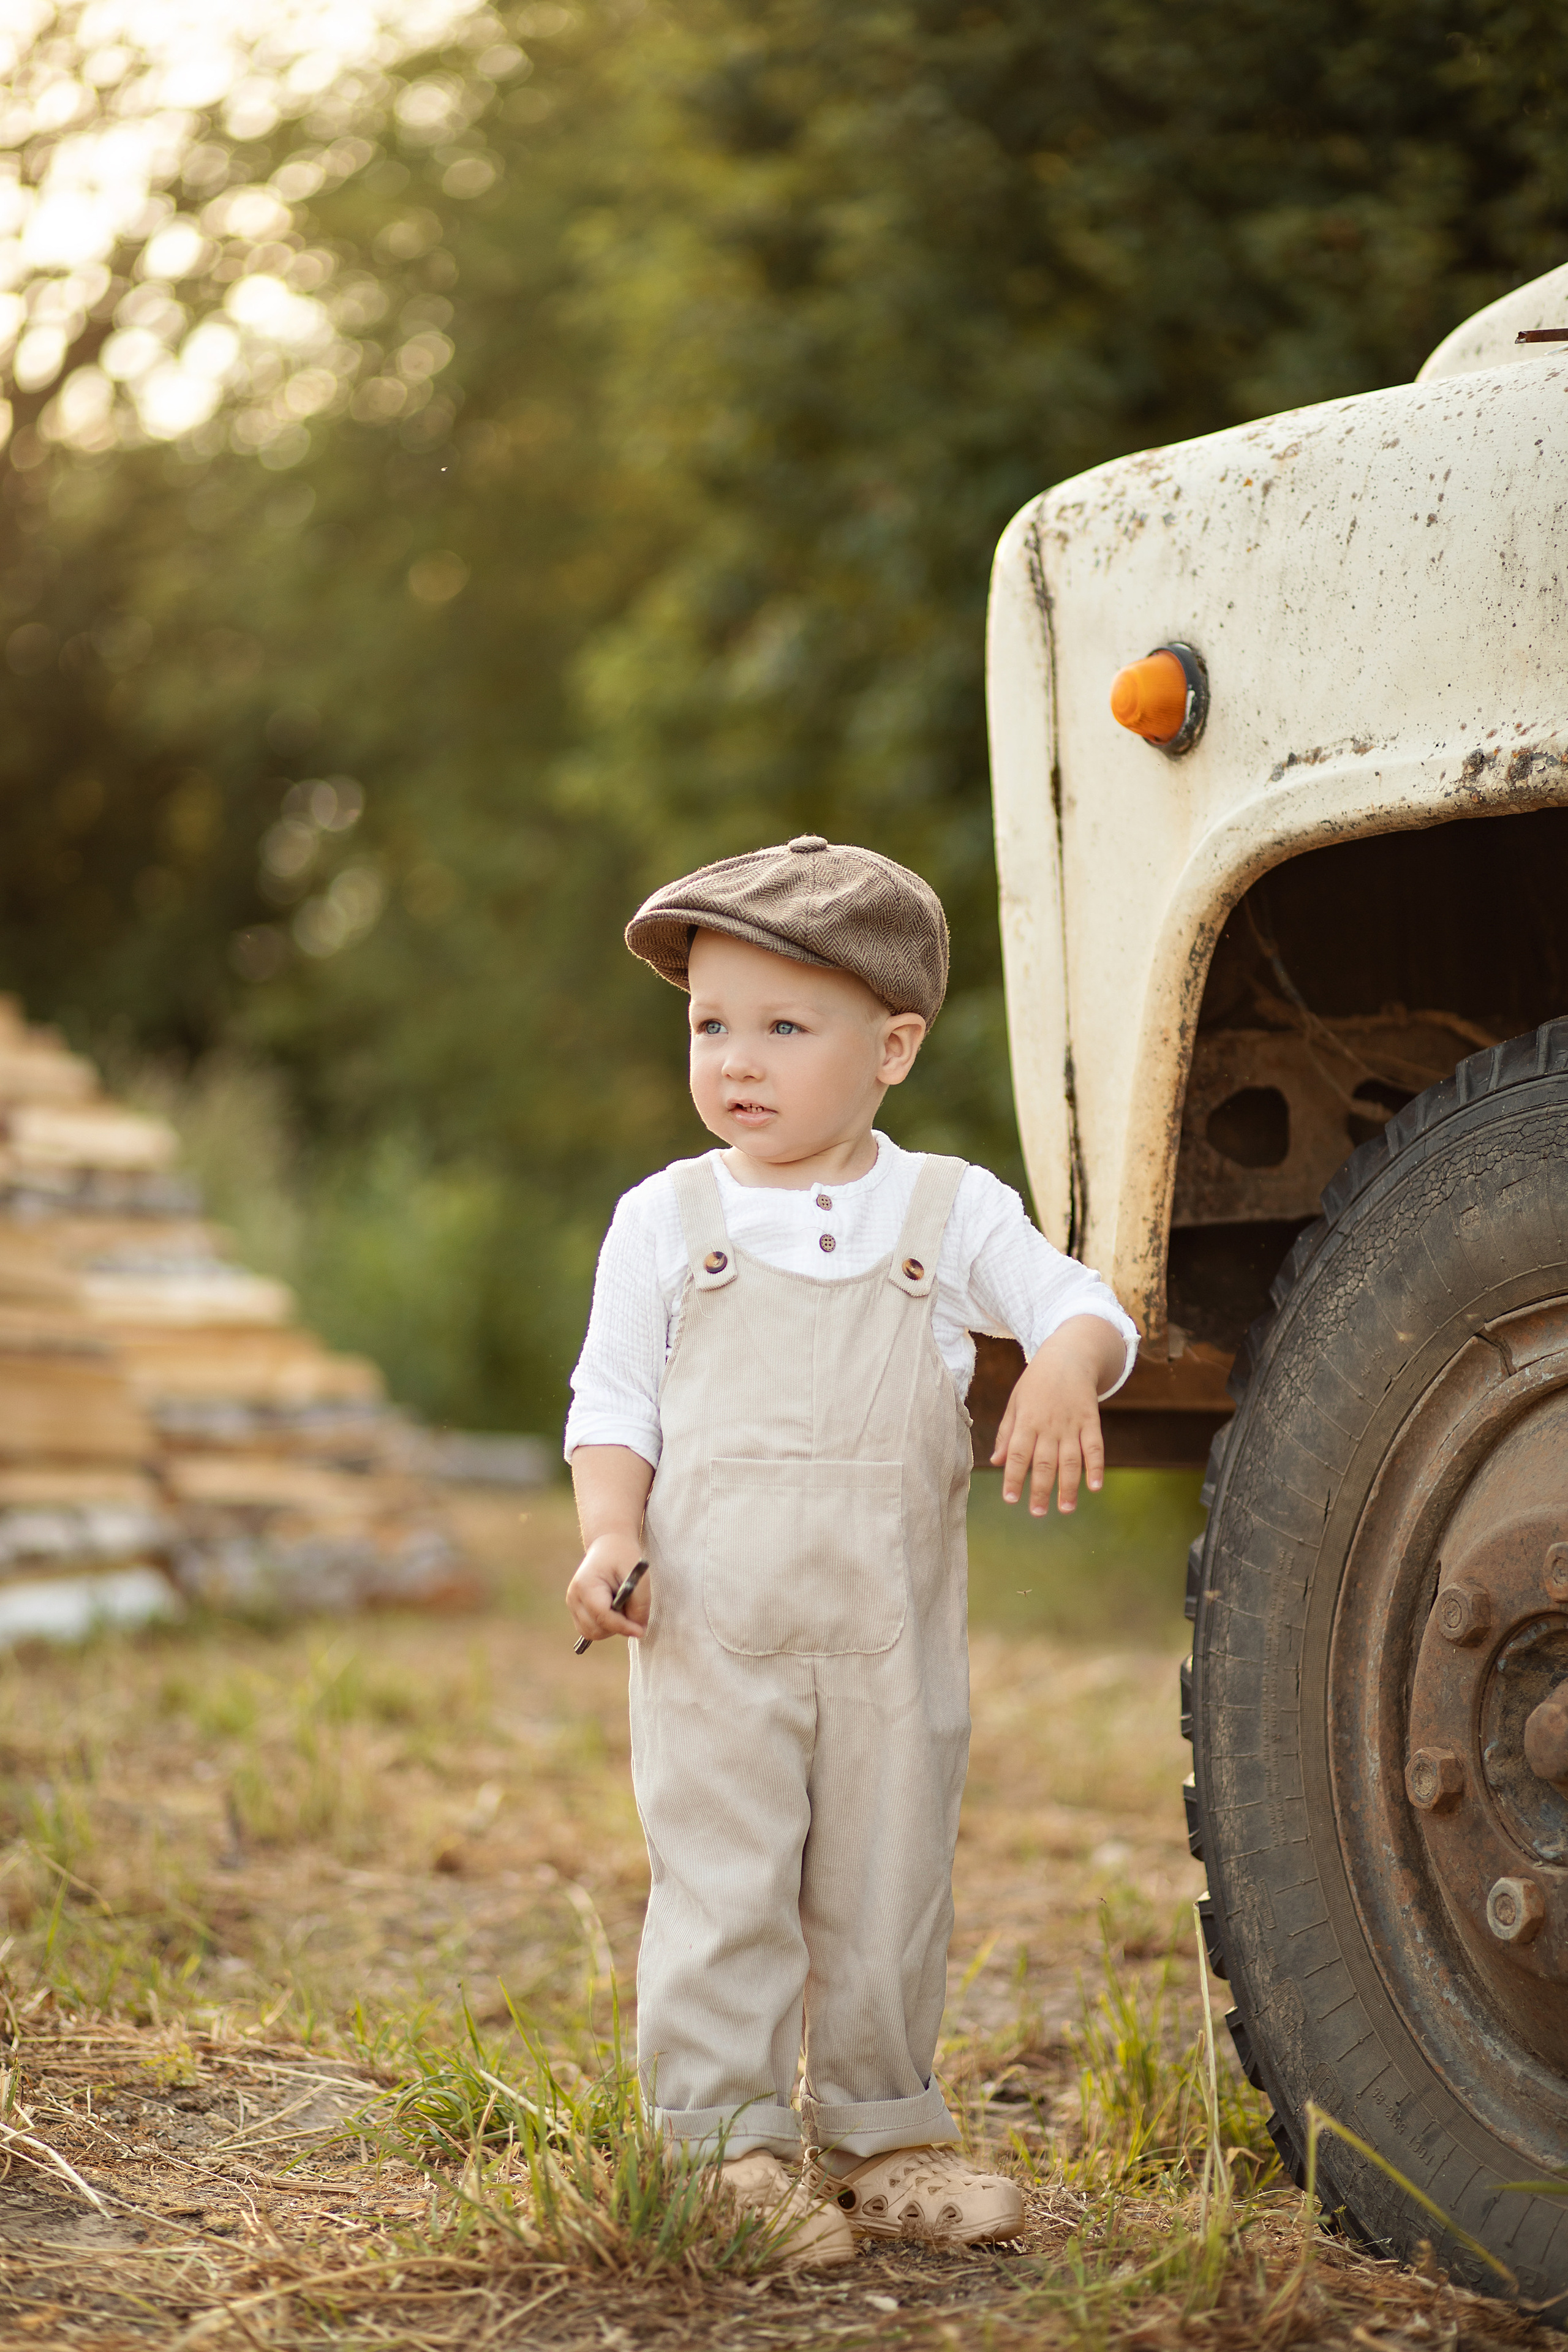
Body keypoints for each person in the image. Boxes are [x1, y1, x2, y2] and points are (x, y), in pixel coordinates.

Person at [565, 835, 1137, 2265]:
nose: (733, 1060)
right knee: (722, 1875)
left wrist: (1063, 1370)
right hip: (709, 1632)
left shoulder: (945, 1212)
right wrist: (610, 1531)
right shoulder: (667, 1219)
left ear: (888, 1046)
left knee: (888, 1881)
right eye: (708, 1024)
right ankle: (723, 2145)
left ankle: (885, 2136)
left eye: (780, 1025)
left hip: (889, 1640)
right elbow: (612, 1401)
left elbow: (1082, 1305)